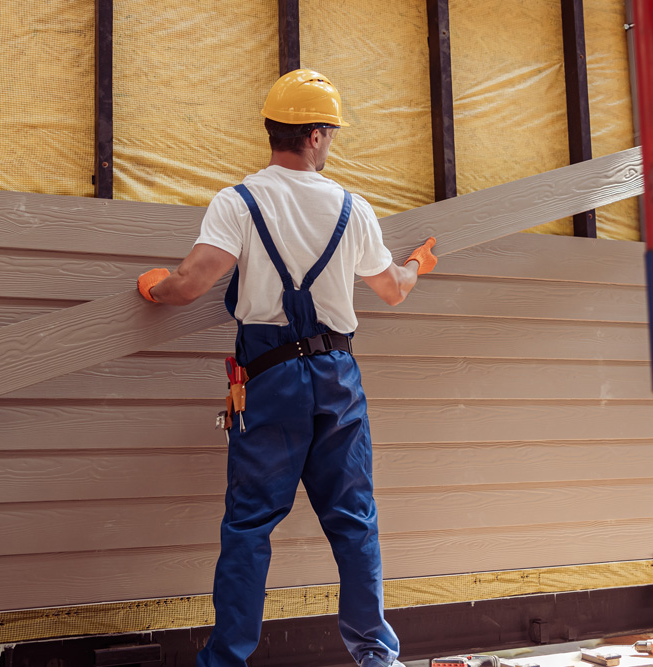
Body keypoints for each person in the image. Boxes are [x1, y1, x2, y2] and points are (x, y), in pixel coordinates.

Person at [136, 69, 437, 667]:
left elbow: (189, 284)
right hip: (336, 377)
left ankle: (225, 661)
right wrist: (417, 264)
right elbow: (394, 291)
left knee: (249, 527)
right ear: (319, 135)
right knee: (354, 523)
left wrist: (154, 289)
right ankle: (375, 656)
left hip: (268, 380)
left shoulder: (239, 202)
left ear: (274, 131)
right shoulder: (354, 209)